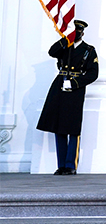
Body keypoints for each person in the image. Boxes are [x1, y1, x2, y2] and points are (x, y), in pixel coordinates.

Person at [36, 20, 99, 175]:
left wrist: (75, 83)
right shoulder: (65, 46)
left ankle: (70, 165)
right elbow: (52, 52)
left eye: (77, 32)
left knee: (72, 127)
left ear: (82, 33)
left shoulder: (88, 50)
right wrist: (64, 40)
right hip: (59, 86)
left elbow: (93, 73)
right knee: (59, 126)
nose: (75, 35)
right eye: (73, 32)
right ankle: (61, 165)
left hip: (75, 89)